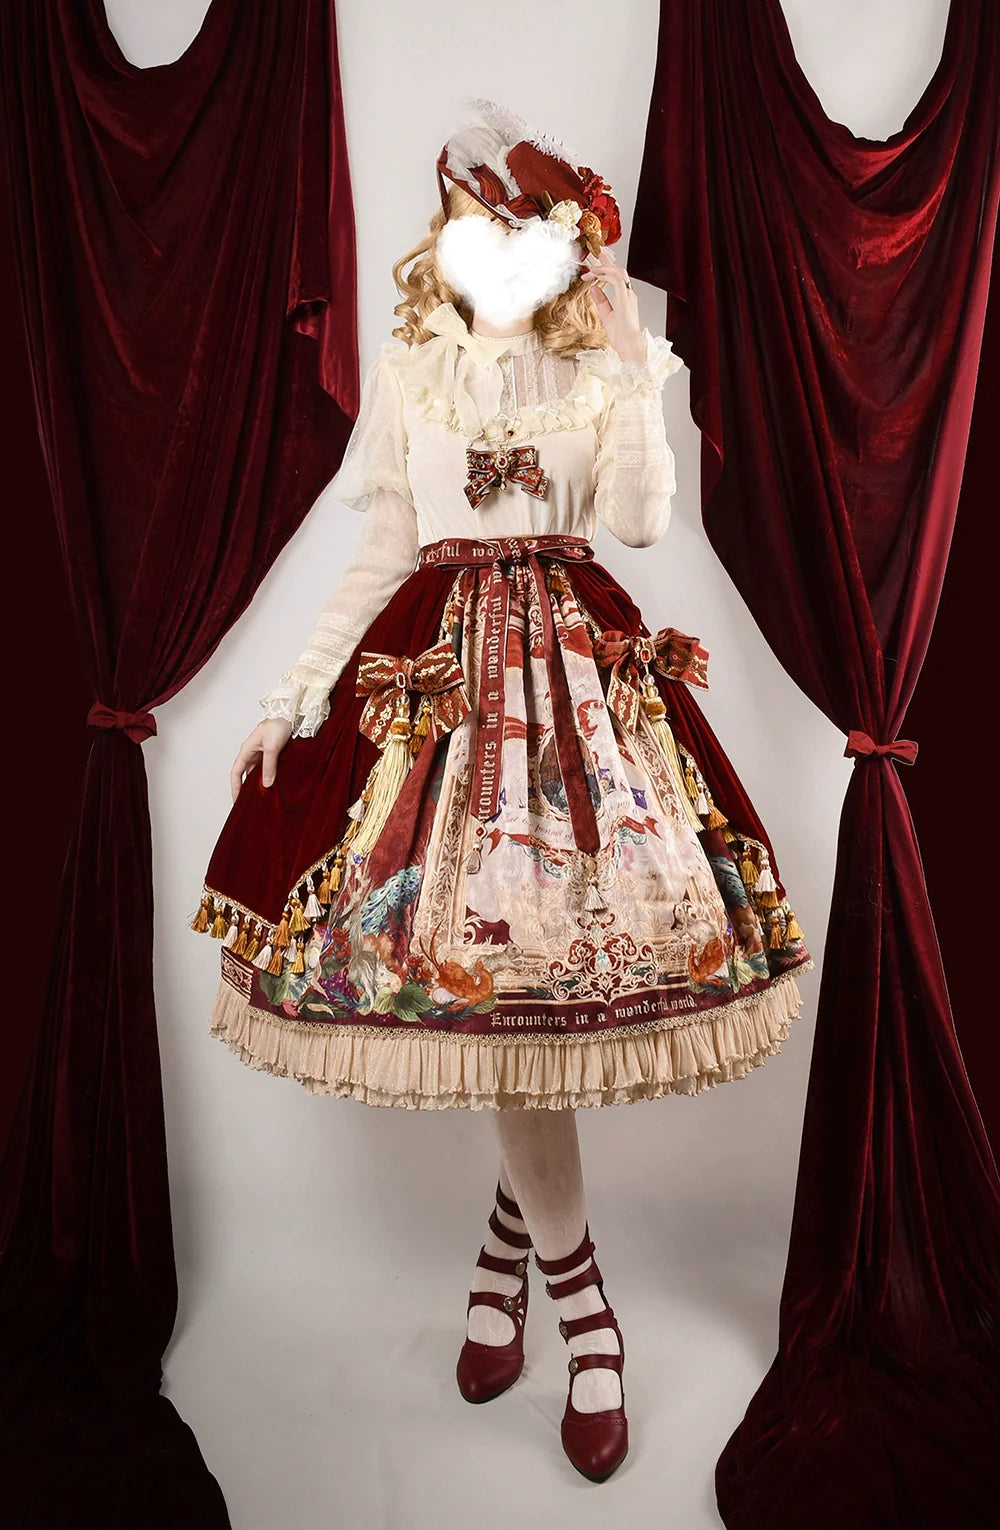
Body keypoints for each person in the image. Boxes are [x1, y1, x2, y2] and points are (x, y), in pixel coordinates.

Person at [191, 99, 811, 1483]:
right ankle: (570, 1291)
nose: (498, 238)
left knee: (533, 1002)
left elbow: (639, 523)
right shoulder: (414, 368)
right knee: (501, 999)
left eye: (525, 222)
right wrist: (293, 697)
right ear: (452, 229)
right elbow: (381, 557)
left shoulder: (596, 365)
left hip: (577, 705)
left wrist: (635, 363)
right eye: (478, 214)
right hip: (444, 701)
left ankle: (540, 1280)